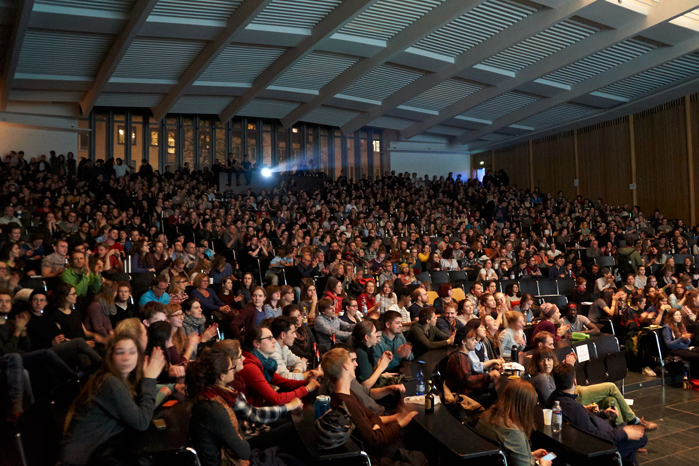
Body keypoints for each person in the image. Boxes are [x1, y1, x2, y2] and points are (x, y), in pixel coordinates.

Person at [59, 333, 166, 466]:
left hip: (97, 455)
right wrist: (150, 378)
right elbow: (141, 421)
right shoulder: (109, 382)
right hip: (80, 461)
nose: (126, 358)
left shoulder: (122, 380)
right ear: (110, 357)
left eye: (132, 352)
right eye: (120, 352)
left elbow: (139, 411)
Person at [321, 347, 425, 464]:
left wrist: (375, 425)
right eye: (352, 361)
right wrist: (400, 423)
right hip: (379, 455)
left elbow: (371, 415)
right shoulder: (345, 402)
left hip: (382, 441)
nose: (356, 364)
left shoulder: (347, 393)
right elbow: (375, 440)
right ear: (345, 366)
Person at [547, 363, 648, 466]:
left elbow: (581, 421)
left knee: (628, 453)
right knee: (642, 437)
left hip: (591, 438)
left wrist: (602, 414)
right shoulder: (573, 407)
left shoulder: (553, 399)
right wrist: (623, 433)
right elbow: (595, 437)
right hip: (600, 449)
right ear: (575, 381)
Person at [234, 325, 319, 407]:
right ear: (256, 344)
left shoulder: (262, 363)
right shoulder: (250, 367)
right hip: (251, 416)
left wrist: (307, 382)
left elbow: (283, 382)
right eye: (269, 338)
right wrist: (307, 389)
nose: (274, 341)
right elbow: (276, 398)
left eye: (273, 337)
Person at [476, 378, 553, 466]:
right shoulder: (513, 432)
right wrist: (544, 465)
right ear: (525, 407)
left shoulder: (487, 416)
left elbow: (505, 454)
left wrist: (530, 455)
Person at [446, 327, 499, 408]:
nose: (476, 342)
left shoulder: (462, 355)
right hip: (463, 398)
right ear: (463, 342)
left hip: (467, 392)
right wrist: (489, 375)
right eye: (472, 340)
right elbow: (467, 381)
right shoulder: (459, 357)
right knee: (496, 395)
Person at [269, 316, 320, 381]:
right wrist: (312, 373)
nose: (295, 336)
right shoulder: (272, 352)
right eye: (293, 332)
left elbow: (300, 362)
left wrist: (296, 371)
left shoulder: (284, 347)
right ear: (283, 335)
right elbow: (285, 378)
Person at [352, 320, 394, 388]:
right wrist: (380, 368)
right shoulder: (361, 353)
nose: (377, 335)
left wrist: (380, 363)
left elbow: (369, 374)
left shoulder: (366, 350)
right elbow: (366, 385)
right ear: (367, 337)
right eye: (374, 332)